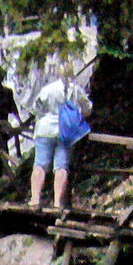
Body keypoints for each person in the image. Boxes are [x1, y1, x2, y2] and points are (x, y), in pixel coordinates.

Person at [30, 71, 92, 209]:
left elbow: (35, 108)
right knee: (61, 166)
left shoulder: (48, 89)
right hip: (66, 131)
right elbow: (88, 108)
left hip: (45, 130)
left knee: (40, 164)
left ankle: (35, 198)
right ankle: (58, 201)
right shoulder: (76, 90)